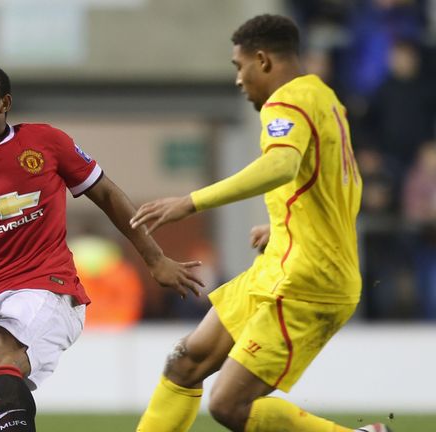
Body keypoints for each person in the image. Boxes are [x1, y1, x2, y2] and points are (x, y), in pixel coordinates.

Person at [130, 15, 389, 432]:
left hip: (307, 282)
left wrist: (191, 202)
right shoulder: (324, 98)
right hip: (285, 264)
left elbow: (283, 165)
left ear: (263, 60)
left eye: (239, 66)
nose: (238, 79)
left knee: (229, 406)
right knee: (186, 362)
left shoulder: (286, 102)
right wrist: (289, 227)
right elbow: (342, 184)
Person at [0, 60, 204, 432]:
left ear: (4, 102)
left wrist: (155, 257)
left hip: (50, 291)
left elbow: (106, 194)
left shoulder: (45, 142)